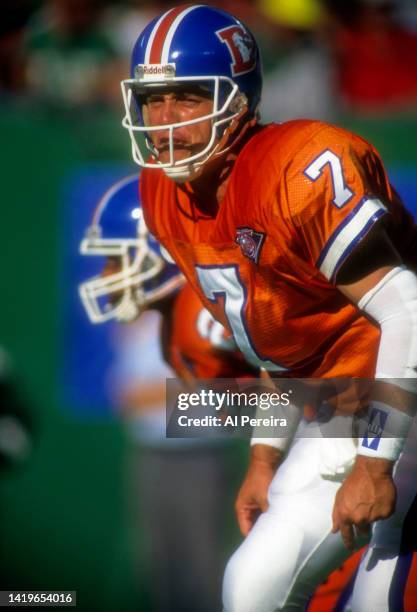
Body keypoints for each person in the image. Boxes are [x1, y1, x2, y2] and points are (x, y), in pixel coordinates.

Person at [119, 5, 417, 611]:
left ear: (237, 98)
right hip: (333, 413)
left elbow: (409, 309)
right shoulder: (163, 194)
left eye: (188, 98)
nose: (167, 120)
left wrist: (376, 462)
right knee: (250, 587)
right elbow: (277, 349)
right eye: (154, 100)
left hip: (401, 406)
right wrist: (263, 456)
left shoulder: (296, 168)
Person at [79, 173, 257, 612]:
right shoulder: (140, 316)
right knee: (160, 573)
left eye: (120, 259)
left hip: (200, 456)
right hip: (149, 452)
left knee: (201, 574)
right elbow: (126, 394)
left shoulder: (211, 309)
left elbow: (247, 405)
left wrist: (164, 399)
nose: (109, 274)